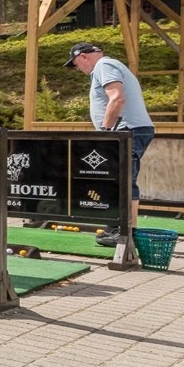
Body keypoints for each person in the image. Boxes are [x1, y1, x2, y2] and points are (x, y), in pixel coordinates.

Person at [65, 43, 154, 247]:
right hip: (128, 129)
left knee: (123, 180)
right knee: (120, 180)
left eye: (76, 64)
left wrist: (105, 132)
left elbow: (117, 98)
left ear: (83, 57)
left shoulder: (104, 65)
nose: (77, 69)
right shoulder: (108, 66)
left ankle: (125, 231)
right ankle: (119, 227)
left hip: (126, 130)